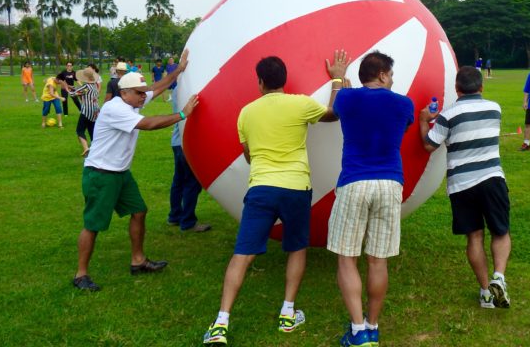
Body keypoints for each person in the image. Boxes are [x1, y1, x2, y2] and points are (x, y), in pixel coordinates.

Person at [202, 55, 342, 345]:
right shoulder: (300, 103)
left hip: (261, 187)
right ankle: (287, 313)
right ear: (284, 79)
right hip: (295, 186)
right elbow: (333, 114)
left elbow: (249, 154)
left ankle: (221, 322)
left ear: (260, 82)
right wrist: (337, 79)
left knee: (243, 253)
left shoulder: (247, 113)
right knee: (297, 248)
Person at [73, 49, 197, 292]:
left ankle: (138, 261)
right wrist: (183, 114)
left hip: (120, 173)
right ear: (124, 93)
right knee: (93, 224)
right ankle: (81, 274)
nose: (143, 97)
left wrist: (179, 70)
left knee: (139, 211)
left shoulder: (133, 100)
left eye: (143, 93)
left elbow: (157, 87)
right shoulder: (115, 109)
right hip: (101, 174)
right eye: (139, 94)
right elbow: (148, 124)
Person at [326, 50, 414, 347]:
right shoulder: (404, 104)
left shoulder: (347, 99)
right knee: (378, 261)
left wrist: (337, 78)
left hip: (354, 182)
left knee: (347, 257)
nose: (392, 80)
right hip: (390, 183)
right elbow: (400, 124)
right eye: (391, 74)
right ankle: (373, 326)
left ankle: (358, 330)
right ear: (382, 74)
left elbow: (332, 109)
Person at [419, 66, 512, 310]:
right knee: (500, 231)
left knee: (474, 236)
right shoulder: (495, 109)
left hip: (461, 184)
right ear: (481, 86)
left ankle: (485, 292)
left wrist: (423, 122)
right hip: (492, 178)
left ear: (456, 89)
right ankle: (499, 277)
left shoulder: (448, 115)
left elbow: (429, 145)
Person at [166, 85, 210, 232]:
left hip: (177, 142)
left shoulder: (178, 87)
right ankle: (188, 221)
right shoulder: (193, 86)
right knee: (192, 182)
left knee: (178, 181)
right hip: (187, 144)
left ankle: (174, 216)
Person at [70, 68, 100, 156]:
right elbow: (84, 93)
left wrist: (70, 89)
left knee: (79, 130)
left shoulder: (86, 86)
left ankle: (86, 148)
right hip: (95, 111)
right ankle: (96, 149)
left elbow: (73, 94)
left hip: (87, 110)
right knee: (91, 130)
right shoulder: (94, 86)